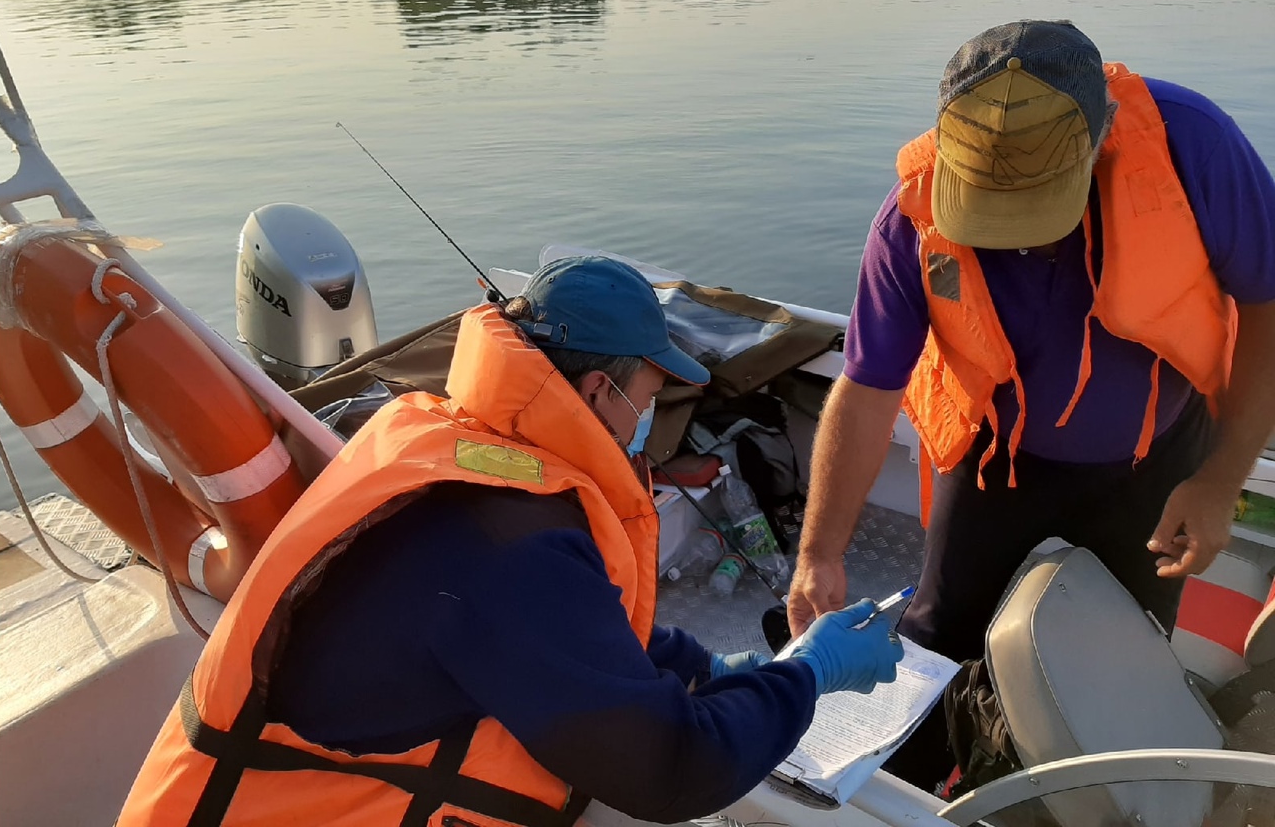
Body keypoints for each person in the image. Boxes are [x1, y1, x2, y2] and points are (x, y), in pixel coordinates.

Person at [118, 255, 904, 827]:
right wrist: (808, 675)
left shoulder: (452, 440)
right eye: (651, 392)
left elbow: (564, 624)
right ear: (601, 390)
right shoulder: (512, 548)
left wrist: (705, 667)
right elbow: (670, 772)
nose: (652, 416)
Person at [787, 19, 1275, 790]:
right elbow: (869, 382)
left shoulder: (1195, 149)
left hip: (1156, 465)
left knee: (1117, 660)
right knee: (935, 646)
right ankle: (900, 800)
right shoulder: (910, 214)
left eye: (1038, 206)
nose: (1017, 241)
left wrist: (1220, 481)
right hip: (994, 458)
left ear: (1103, 135)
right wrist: (820, 553)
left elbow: (1268, 306)